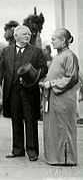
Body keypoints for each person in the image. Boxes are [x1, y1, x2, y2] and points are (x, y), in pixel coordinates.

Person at [0, 25, 48, 162]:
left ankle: (32, 151)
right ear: (15, 36)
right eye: (24, 34)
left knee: (30, 120)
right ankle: (17, 150)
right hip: (12, 91)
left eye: (29, 34)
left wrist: (34, 75)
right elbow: (0, 69)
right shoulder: (6, 51)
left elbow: (44, 68)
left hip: (29, 91)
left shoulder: (36, 51)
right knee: (16, 120)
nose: (28, 36)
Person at [39, 28, 79, 166]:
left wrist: (52, 83)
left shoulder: (70, 56)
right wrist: (45, 82)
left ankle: (66, 159)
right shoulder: (58, 57)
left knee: (64, 129)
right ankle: (55, 158)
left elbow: (72, 78)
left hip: (64, 100)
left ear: (63, 40)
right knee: (54, 129)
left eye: (54, 39)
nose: (52, 41)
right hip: (54, 98)